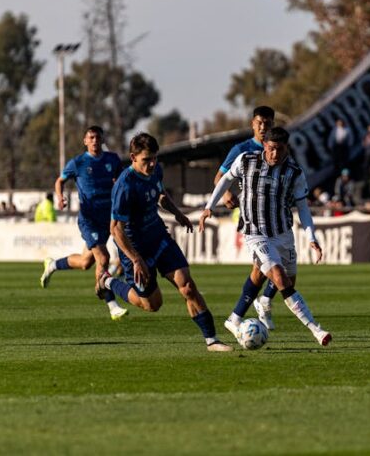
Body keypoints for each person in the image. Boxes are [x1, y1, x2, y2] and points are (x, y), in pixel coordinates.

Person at [96, 133, 232, 352]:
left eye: (154, 159)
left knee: (187, 287)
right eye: (146, 160)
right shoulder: (124, 186)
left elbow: (160, 194)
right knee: (151, 305)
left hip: (159, 237)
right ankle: (108, 281)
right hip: (135, 250)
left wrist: (178, 214)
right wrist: (136, 259)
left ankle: (211, 340)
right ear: (133, 157)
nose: (151, 164)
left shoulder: (155, 170)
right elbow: (115, 228)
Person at [200, 127, 331, 347]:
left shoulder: (294, 172)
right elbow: (224, 180)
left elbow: (303, 208)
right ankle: (316, 330)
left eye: (279, 149)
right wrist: (209, 207)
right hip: (255, 232)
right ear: (264, 146)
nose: (274, 154)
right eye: (270, 149)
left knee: (275, 278)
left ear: (286, 148)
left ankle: (234, 318)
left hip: (283, 234)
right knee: (278, 276)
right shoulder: (245, 160)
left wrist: (312, 237)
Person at [39, 125, 127, 321]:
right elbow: (59, 181)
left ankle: (53, 265)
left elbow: (121, 181)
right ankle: (112, 305)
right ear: (85, 141)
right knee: (103, 258)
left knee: (86, 262)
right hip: (89, 218)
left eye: (97, 137)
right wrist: (60, 197)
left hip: (109, 217)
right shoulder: (77, 162)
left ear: (102, 140)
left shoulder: (112, 159)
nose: (94, 140)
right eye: (91, 137)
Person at [211, 106, 281, 330]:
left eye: (267, 123)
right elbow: (219, 177)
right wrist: (227, 193)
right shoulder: (241, 149)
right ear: (252, 123)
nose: (263, 127)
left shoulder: (278, 149)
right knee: (270, 266)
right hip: (252, 217)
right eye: (259, 123)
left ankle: (242, 313)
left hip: (275, 216)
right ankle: (255, 307)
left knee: (271, 268)